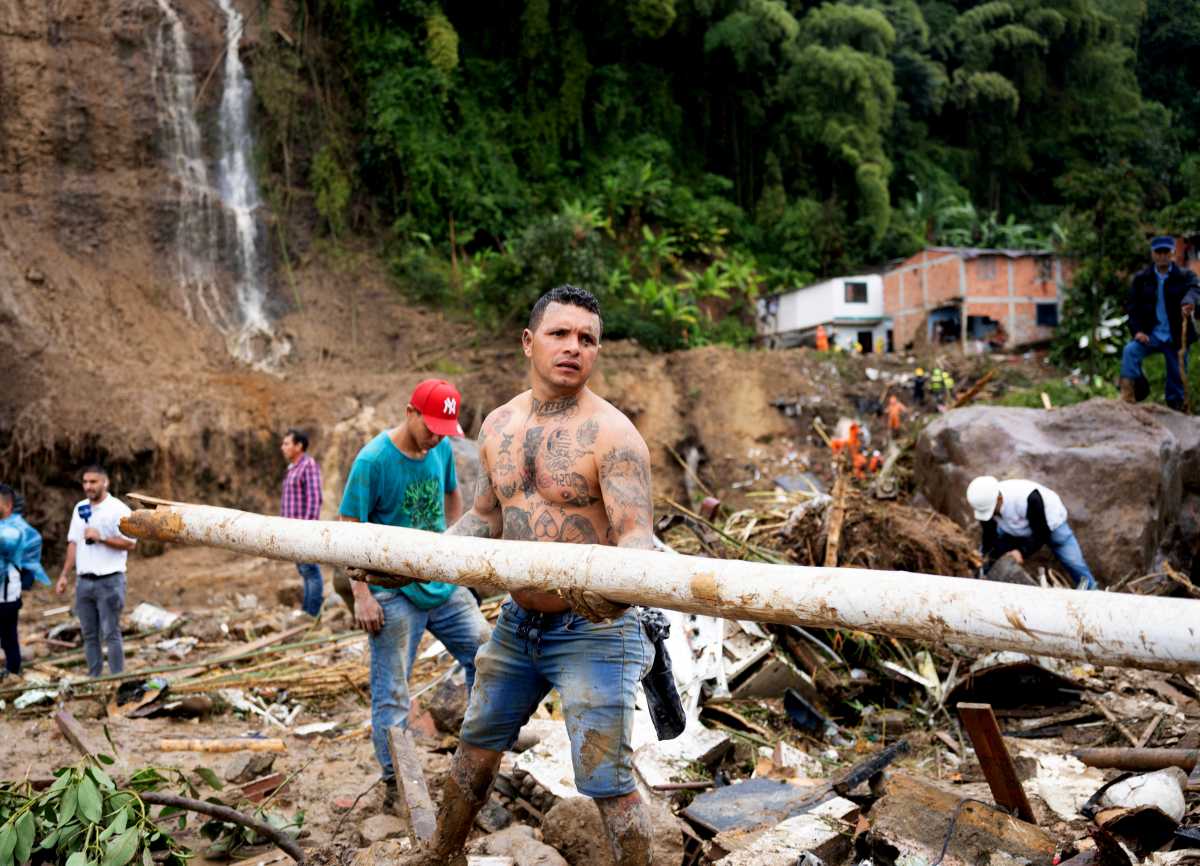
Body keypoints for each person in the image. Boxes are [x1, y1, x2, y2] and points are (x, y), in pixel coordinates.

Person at [377, 285, 658, 866]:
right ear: (529, 342)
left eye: (587, 339)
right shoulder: (499, 426)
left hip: (595, 629)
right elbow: (483, 519)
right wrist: (414, 555)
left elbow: (635, 538)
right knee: (476, 749)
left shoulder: (615, 436)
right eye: (560, 334)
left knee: (605, 777)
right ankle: (441, 853)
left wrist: (619, 594)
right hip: (518, 624)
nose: (574, 347)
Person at [338, 379, 491, 800]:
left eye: (444, 429)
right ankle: (396, 781)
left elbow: (453, 495)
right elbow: (348, 529)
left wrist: (452, 552)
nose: (436, 437)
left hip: (437, 582)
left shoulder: (440, 447)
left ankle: (480, 753)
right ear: (410, 412)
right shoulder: (373, 461)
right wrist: (362, 596)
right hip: (389, 589)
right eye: (430, 427)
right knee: (393, 689)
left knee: (488, 652)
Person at [55, 466, 136, 676]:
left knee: (111, 632)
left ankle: (117, 676)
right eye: (85, 482)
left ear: (105, 483)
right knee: (89, 634)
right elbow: (73, 543)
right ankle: (94, 677)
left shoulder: (118, 509)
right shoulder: (80, 508)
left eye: (93, 482)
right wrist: (64, 575)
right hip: (84, 582)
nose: (88, 486)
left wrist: (101, 538)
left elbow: (131, 542)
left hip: (109, 580)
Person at [965, 476, 1097, 590]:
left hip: (1049, 524)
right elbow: (989, 535)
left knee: (1073, 562)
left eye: (991, 510)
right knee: (987, 555)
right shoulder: (985, 504)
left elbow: (1041, 533)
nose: (990, 514)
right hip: (1012, 527)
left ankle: (1093, 592)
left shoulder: (1028, 497)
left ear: (999, 499)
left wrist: (1021, 552)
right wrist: (983, 559)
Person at [1119, 236, 1200, 410]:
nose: (1162, 256)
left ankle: (1176, 407)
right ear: (1153, 254)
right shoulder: (1142, 279)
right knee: (1130, 352)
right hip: (1151, 334)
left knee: (1177, 374)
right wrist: (1137, 331)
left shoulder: (1184, 275)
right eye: (1158, 252)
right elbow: (1132, 308)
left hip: (1175, 336)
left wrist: (1189, 301)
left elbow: (1194, 288)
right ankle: (1129, 397)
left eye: (1166, 252)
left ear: (1172, 253)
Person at [0, 485, 50, 677]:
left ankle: (13, 672)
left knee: (8, 637)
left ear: (8, 504)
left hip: (7, 596)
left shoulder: (16, 529)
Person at [280, 428, 324, 617]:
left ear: (299, 446)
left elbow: (314, 499)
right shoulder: (293, 468)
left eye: (287, 443)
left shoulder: (308, 465)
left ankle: (311, 614)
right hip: (292, 530)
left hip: (303, 530)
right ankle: (307, 612)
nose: (283, 447)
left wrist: (308, 529)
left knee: (310, 570)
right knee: (304, 570)